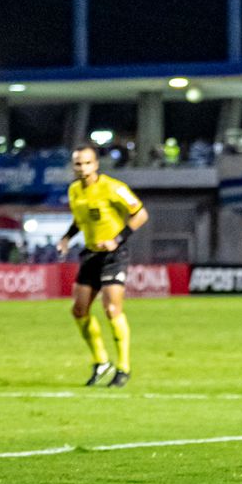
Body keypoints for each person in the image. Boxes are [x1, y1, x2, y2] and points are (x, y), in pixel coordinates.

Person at [57, 145, 149, 388]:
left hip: (114, 254)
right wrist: (66, 238)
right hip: (90, 255)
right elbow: (80, 220)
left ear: (96, 164)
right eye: (78, 164)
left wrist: (116, 239)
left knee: (111, 309)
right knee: (78, 310)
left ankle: (124, 367)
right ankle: (101, 361)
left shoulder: (112, 187)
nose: (82, 168)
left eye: (87, 163)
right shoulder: (74, 191)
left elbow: (140, 214)